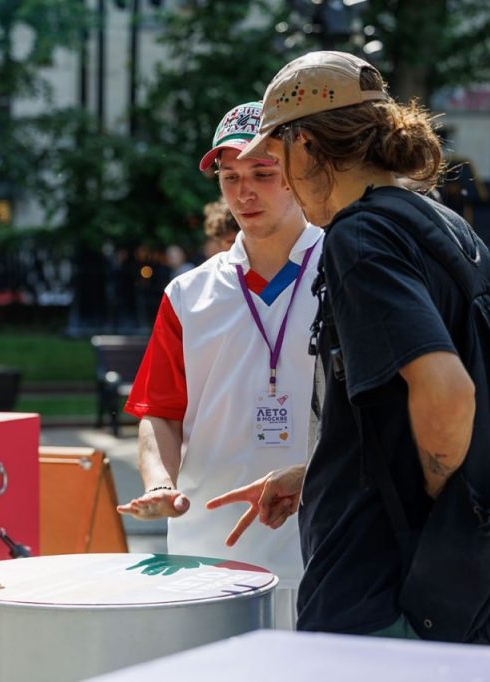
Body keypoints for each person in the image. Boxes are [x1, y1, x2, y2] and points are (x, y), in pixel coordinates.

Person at [211, 51, 477, 639]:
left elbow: (449, 394)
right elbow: (401, 410)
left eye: (275, 158)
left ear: (305, 146)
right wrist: (321, 471)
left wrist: (431, 511)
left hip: (379, 587)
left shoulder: (357, 236)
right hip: (445, 593)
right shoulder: (439, 222)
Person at [116, 101, 323, 630]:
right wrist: (160, 483)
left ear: (298, 173)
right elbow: (160, 411)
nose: (243, 191)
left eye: (262, 173)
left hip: (319, 549)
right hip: (207, 554)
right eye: (230, 177)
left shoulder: (345, 266)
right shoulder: (189, 292)